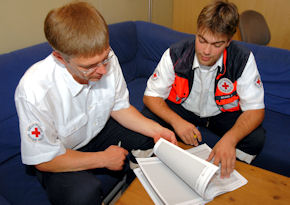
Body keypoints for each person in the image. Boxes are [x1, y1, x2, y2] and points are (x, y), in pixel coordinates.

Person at [14, 1, 177, 205]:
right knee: (83, 193)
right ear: (60, 58)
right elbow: (43, 160)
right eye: (89, 66)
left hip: (98, 130)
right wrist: (103, 159)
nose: (102, 70)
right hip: (60, 154)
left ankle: (135, 192)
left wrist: (156, 130)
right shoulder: (34, 90)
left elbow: (120, 107)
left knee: (150, 138)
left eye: (104, 58)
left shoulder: (106, 58)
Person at [143, 0, 265, 179]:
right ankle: (143, 171)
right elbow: (151, 96)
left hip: (221, 114)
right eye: (202, 40)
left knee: (256, 137)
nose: (206, 51)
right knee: (146, 117)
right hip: (184, 110)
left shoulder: (243, 59)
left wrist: (230, 139)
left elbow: (255, 110)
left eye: (217, 45)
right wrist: (177, 121)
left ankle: (231, 172)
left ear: (229, 41)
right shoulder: (176, 53)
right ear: (197, 32)